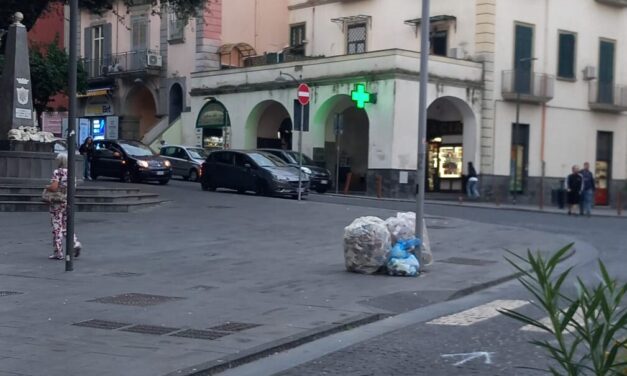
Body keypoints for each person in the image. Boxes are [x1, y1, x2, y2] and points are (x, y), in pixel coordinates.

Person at [45, 153, 82, 260]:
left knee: (57, 227)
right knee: (66, 226)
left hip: (57, 202)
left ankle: (58, 252)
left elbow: (54, 187)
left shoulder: (57, 172)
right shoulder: (71, 173)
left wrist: (47, 187)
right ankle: (75, 243)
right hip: (67, 201)